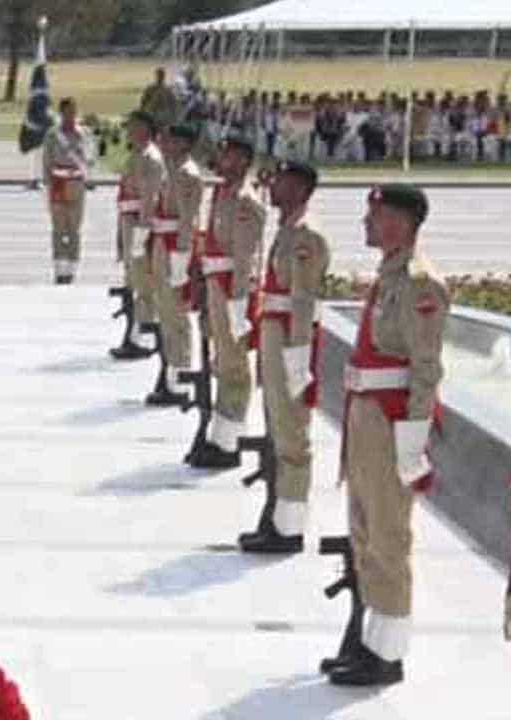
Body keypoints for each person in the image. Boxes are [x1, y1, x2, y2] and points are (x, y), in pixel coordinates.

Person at [326, 185, 447, 686]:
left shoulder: (421, 283)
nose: (366, 224)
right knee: (364, 531)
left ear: (400, 222)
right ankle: (370, 641)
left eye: (375, 216)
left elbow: (425, 369)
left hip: (391, 420)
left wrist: (413, 443)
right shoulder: (390, 275)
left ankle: (388, 653)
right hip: (367, 414)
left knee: (388, 535)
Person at [238, 161, 329, 554]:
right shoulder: (289, 228)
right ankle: (276, 517)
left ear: (300, 188)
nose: (272, 185)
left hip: (290, 339)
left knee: (291, 435)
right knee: (278, 428)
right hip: (276, 333)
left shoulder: (307, 235)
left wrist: (298, 359)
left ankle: (288, 528)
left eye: (280, 181)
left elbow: (303, 302)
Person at [192, 135, 266, 468]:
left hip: (231, 289)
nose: (221, 161)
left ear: (243, 161)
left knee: (233, 367)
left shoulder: (246, 202)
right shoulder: (223, 193)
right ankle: (219, 434)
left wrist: (238, 305)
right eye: (221, 155)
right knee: (222, 362)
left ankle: (229, 441)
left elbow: (243, 259)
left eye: (229, 156)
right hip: (215, 284)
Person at [145, 123, 203, 406]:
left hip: (174, 249)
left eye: (171, 140)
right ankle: (170, 371)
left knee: (176, 317)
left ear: (184, 144)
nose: (165, 144)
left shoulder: (187, 175)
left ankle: (179, 378)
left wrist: (181, 261)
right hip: (163, 244)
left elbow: (187, 220)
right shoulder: (173, 170)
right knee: (166, 313)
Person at [111, 110, 164, 360]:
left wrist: (142, 233)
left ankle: (144, 338)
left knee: (143, 283)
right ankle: (135, 334)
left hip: (138, 223)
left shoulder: (150, 158)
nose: (129, 131)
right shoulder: (137, 155)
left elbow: (149, 199)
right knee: (133, 280)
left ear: (144, 128)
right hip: (128, 220)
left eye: (133, 127)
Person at [40, 97, 95, 285]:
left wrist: (88, 176)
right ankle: (59, 268)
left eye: (73, 111)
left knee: (74, 228)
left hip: (76, 184)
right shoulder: (53, 135)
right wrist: (47, 183)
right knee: (59, 228)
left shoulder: (84, 134)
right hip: (58, 183)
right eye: (67, 111)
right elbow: (46, 160)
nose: (71, 115)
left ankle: (71, 269)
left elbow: (90, 157)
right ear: (61, 112)